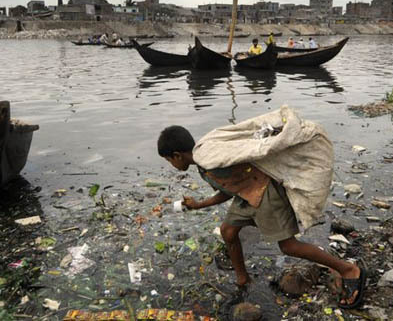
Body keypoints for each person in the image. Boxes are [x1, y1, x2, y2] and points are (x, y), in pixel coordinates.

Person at [157, 125, 366, 308]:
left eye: (168, 160)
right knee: (228, 231)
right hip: (246, 194)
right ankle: (242, 279)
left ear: (177, 155)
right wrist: (199, 204)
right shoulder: (205, 161)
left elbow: (248, 161)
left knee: (289, 247)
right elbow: (228, 189)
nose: (170, 165)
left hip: (265, 193)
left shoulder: (209, 160)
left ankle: (348, 270)